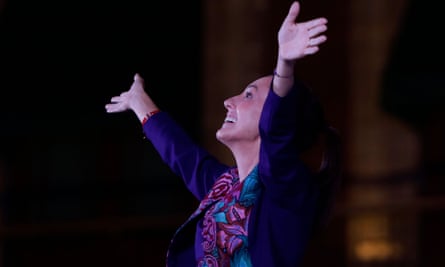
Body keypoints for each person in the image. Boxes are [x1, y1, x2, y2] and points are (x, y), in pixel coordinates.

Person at [105, 1, 341, 266]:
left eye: (249, 95)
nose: (230, 100)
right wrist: (140, 104)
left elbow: (277, 131)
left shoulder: (287, 186)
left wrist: (284, 65)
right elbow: (183, 157)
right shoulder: (225, 186)